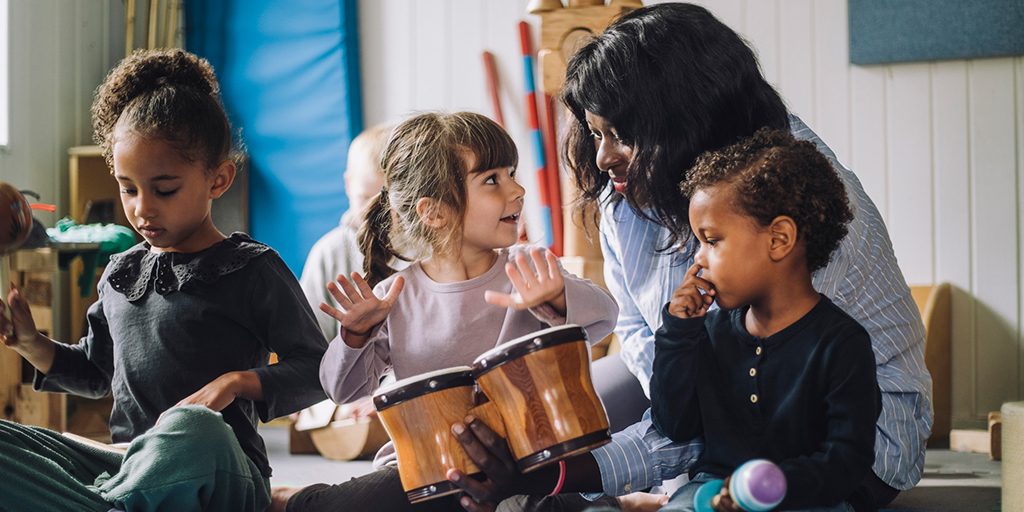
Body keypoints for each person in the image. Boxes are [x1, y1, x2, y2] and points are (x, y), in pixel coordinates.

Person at [447, 3, 931, 512]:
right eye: (596, 133)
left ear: (686, 122)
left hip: (829, 439)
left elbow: (735, 414)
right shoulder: (630, 187)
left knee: (561, 464)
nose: (602, 158)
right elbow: (639, 335)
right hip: (705, 390)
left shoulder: (788, 205)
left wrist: (569, 472)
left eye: (622, 135)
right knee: (531, 434)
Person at [0, 48, 328, 511]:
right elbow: (96, 373)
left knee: (193, 428)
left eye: (164, 189)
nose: (142, 208)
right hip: (128, 465)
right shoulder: (121, 273)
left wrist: (237, 382)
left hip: (217, 465)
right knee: (11, 443)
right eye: (127, 187)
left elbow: (318, 370)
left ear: (219, 179)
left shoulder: (252, 268)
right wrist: (29, 341)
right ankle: (108, 502)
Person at [277, 111, 619, 511]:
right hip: (432, 473)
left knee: (589, 505)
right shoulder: (395, 296)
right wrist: (355, 337)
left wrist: (558, 296)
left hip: (530, 464)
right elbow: (341, 389)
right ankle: (287, 498)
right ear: (435, 212)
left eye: (511, 172)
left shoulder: (529, 266)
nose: (518, 189)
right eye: (493, 179)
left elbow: (604, 319)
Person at [650, 128, 879, 512]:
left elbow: (846, 460)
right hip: (714, 490)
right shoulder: (710, 331)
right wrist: (678, 331)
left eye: (712, 240)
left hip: (805, 500)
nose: (699, 259)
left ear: (778, 240)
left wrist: (772, 489)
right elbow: (675, 425)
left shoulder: (842, 343)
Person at [300, 123, 394, 341]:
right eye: (364, 199)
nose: (375, 214)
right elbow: (310, 340)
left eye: (386, 201)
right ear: (348, 184)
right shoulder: (328, 253)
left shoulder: (424, 247)